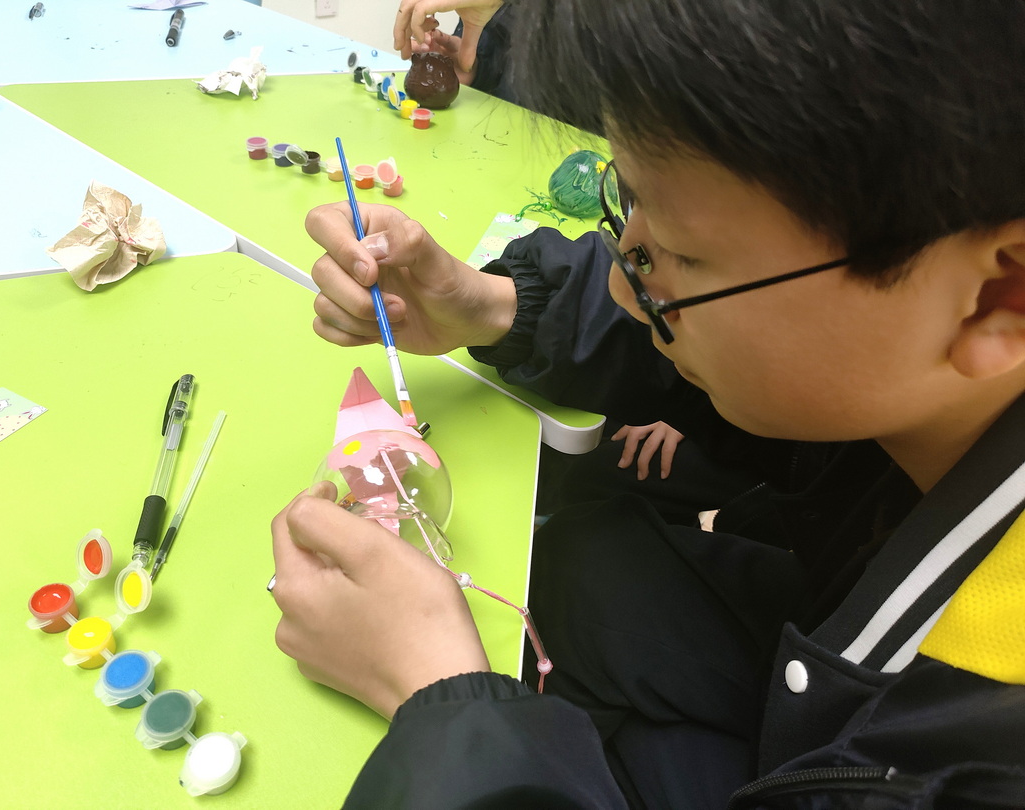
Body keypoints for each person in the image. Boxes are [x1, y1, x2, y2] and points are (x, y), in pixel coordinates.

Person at [271, 1, 1025, 806]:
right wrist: (492, 307)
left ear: (996, 298)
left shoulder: (979, 756)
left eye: (684, 256)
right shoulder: (928, 375)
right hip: (812, 634)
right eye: (630, 206)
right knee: (581, 560)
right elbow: (762, 340)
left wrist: (435, 694)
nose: (629, 292)